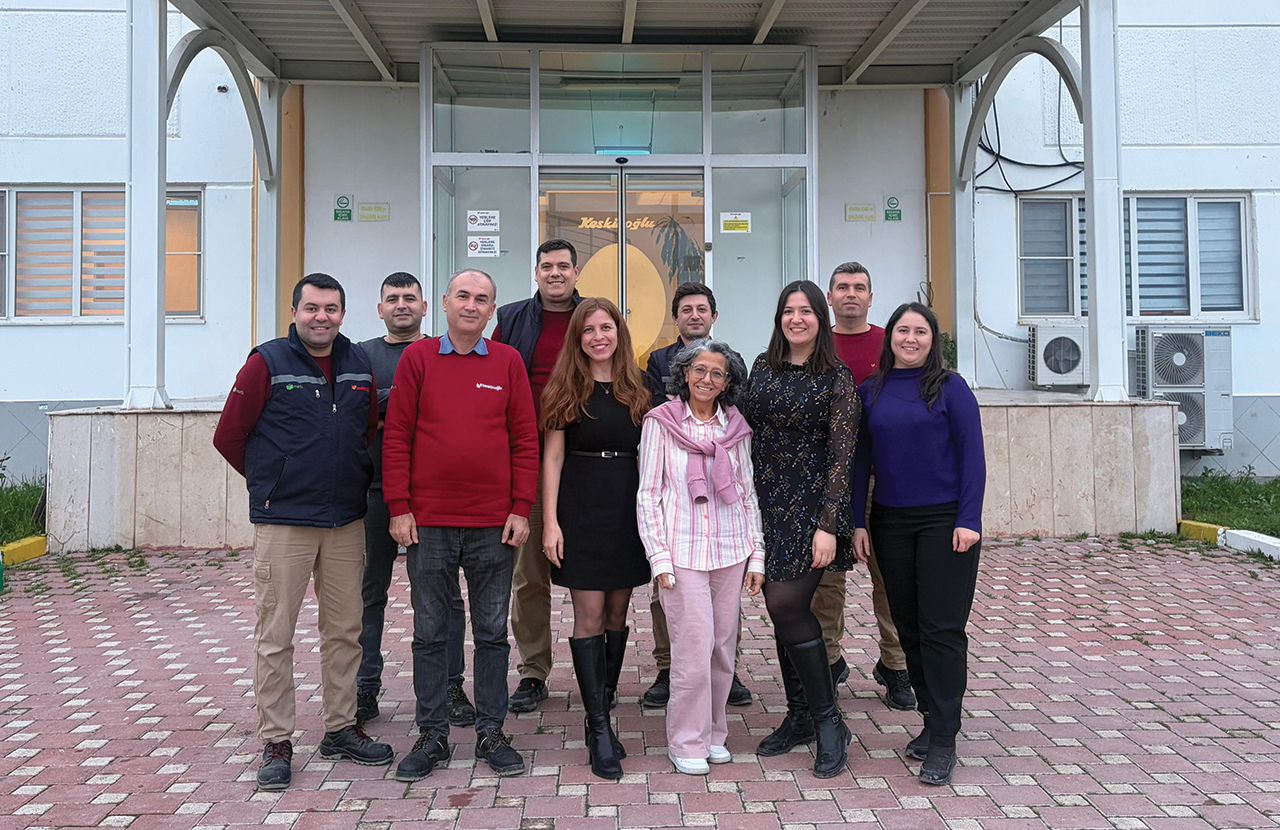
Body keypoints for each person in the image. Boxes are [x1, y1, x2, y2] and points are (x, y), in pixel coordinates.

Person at [213, 273, 394, 791]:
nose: (322, 317)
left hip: (345, 520)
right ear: (294, 312)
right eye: (312, 308)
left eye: (331, 309)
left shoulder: (358, 362)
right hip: (285, 523)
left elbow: (365, 430)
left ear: (343, 314)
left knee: (344, 631)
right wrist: (274, 481)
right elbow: (229, 435)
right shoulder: (267, 362)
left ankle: (340, 728)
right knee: (276, 636)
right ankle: (277, 741)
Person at [382, 268, 539, 781]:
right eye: (464, 296)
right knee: (430, 633)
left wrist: (521, 507)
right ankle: (432, 735)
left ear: (493, 310)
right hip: (428, 524)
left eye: (482, 299)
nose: (472, 305)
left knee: (492, 634)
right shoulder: (418, 358)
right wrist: (399, 507)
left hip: (494, 524)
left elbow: (525, 439)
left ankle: (492, 731)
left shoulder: (508, 362)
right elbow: (397, 434)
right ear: (445, 303)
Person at [852, 302, 985, 787]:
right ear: (889, 337)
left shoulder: (952, 388)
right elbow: (860, 460)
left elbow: (973, 457)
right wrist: (857, 523)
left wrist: (969, 519)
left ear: (933, 340)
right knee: (908, 628)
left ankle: (945, 737)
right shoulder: (872, 390)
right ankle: (931, 719)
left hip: (944, 522)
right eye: (903, 330)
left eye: (920, 331)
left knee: (941, 631)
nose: (910, 338)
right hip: (889, 521)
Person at [740, 280, 860, 780]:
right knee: (780, 612)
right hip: (765, 505)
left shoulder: (837, 377)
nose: (796, 319)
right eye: (788, 311)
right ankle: (800, 715)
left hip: (812, 509)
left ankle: (830, 721)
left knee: (786, 605)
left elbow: (842, 456)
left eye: (806, 311)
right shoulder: (761, 367)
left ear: (820, 319)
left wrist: (829, 524)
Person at [637, 339, 766, 775]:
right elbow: (649, 494)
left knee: (721, 649)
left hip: (730, 549)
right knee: (693, 649)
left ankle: (713, 734)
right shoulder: (661, 423)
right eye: (699, 370)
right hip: (682, 552)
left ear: (727, 382)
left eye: (717, 373)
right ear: (684, 374)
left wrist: (757, 555)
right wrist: (659, 558)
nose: (707, 379)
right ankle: (685, 741)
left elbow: (746, 493)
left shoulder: (736, 428)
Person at [354, 272, 476, 730]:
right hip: (372, 493)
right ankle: (364, 687)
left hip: (430, 497)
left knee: (444, 596)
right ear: (380, 308)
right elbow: (358, 409)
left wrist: (387, 402)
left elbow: (449, 409)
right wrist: (403, 398)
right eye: (392, 299)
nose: (401, 305)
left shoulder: (443, 352)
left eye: (410, 298)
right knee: (368, 595)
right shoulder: (361, 356)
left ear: (427, 307)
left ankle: (451, 685)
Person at [540, 298, 652, 780]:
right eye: (589, 330)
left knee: (616, 614)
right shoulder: (565, 387)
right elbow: (552, 458)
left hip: (627, 509)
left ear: (619, 334)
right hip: (580, 509)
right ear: (578, 338)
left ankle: (600, 706)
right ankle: (600, 727)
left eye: (607, 327)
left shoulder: (640, 388)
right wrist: (550, 522)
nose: (598, 336)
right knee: (588, 614)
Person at [641, 285, 753, 709]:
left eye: (701, 309)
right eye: (685, 309)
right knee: (673, 605)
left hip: (723, 524)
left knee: (721, 619)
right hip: (679, 519)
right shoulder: (658, 361)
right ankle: (669, 668)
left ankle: (725, 672)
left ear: (713, 316)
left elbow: (742, 471)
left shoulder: (730, 361)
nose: (694, 315)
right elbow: (663, 410)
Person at [818, 262, 915, 711]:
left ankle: (896, 666)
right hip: (829, 482)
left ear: (871, 298)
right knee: (826, 581)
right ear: (830, 297)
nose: (851, 294)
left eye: (860, 287)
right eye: (842, 287)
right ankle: (828, 663)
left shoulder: (891, 344)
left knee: (892, 580)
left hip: (885, 479)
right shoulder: (816, 343)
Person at [493, 239, 584, 714]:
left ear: (576, 272)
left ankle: (599, 670)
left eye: (563, 266)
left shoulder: (592, 315)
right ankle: (533, 672)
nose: (555, 273)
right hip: (527, 459)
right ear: (535, 272)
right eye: (547, 266)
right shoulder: (511, 318)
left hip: (584, 460)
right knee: (529, 577)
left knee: (593, 575)